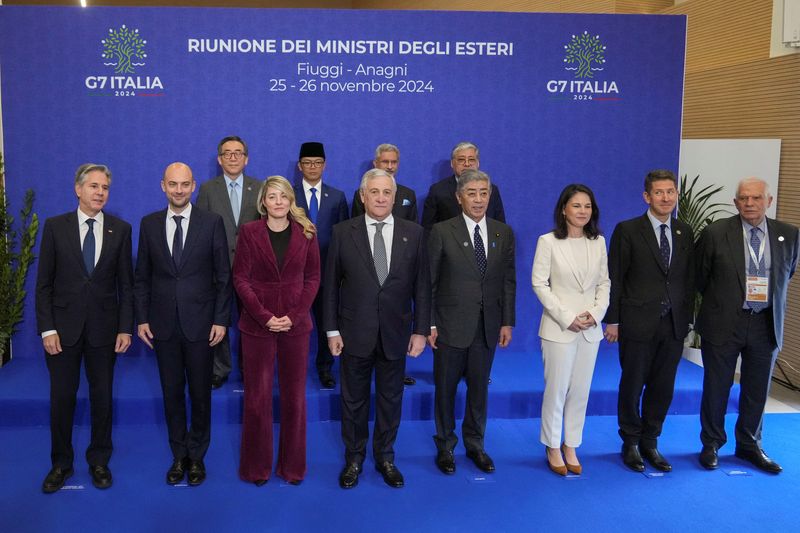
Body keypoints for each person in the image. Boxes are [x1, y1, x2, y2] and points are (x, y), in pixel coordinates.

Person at [323, 168, 430, 489]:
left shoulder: (415, 232)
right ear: (362, 196)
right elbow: (330, 287)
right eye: (375, 192)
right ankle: (354, 458)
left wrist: (421, 330)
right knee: (353, 400)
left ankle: (385, 456)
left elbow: (422, 287)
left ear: (395, 197)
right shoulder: (343, 232)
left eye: (387, 192)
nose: (381, 198)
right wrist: (331, 331)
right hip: (354, 332)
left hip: (397, 333)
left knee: (390, 399)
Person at [35, 163, 133, 493]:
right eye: (93, 186)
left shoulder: (120, 229)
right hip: (62, 332)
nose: (99, 193)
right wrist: (47, 329)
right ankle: (61, 463)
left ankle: (99, 460)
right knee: (62, 398)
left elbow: (126, 285)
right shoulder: (54, 227)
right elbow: (43, 284)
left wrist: (125, 328)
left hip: (105, 332)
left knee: (102, 397)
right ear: (78, 189)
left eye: (104, 187)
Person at [134, 162, 232, 486]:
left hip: (202, 325)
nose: (179, 190)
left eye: (185, 184)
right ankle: (179, 455)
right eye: (173, 184)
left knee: (201, 394)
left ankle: (198, 456)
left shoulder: (211, 223)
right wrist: (142, 318)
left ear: (193, 187)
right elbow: (142, 278)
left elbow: (223, 277)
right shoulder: (148, 224)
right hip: (162, 326)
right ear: (163, 185)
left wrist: (221, 319)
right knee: (171, 393)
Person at [695, 177, 799, 473]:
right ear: (735, 202)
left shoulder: (789, 235)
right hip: (724, 322)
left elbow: (786, 274)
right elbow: (700, 278)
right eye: (743, 198)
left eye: (755, 198)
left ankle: (750, 445)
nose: (749, 203)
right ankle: (712, 443)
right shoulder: (715, 233)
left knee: (757, 389)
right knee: (717, 386)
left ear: (769, 201)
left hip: (766, 323)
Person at [603, 169, 694, 473]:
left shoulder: (684, 232)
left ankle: (651, 441)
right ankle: (630, 441)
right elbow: (615, 277)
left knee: (663, 386)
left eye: (670, 192)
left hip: (673, 325)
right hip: (636, 322)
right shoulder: (627, 230)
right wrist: (612, 320)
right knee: (632, 384)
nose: (665, 198)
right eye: (659, 192)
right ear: (647, 196)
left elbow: (687, 279)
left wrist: (688, 320)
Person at [427, 169, 515, 476]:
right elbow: (430, 283)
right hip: (450, 326)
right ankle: (445, 446)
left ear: (490, 196)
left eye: (483, 193)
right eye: (472, 193)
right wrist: (430, 324)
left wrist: (507, 322)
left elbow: (508, 281)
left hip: (487, 326)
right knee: (445, 391)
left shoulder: (503, 232)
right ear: (459, 197)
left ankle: (475, 444)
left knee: (479, 390)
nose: (478, 199)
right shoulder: (441, 231)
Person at [234, 176, 320, 486]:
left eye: (283, 196)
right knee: (257, 398)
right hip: (257, 326)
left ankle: (292, 467)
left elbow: (313, 279)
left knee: (295, 398)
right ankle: (257, 468)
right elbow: (240, 279)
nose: (279, 202)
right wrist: (264, 316)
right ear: (264, 202)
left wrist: (294, 316)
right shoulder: (249, 232)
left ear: (291, 200)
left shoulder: (307, 232)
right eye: (272, 196)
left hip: (296, 328)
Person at [532, 184, 609, 476]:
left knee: (580, 390)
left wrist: (595, 313)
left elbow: (605, 283)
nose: (582, 212)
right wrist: (567, 317)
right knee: (557, 389)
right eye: (576, 206)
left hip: (590, 328)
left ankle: (571, 443)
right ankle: (552, 444)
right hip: (559, 328)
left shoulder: (598, 242)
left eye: (587, 206)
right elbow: (539, 284)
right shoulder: (548, 241)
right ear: (564, 209)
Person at [197, 135, 262, 389]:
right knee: (218, 319)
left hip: (253, 269)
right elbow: (200, 229)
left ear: (246, 159)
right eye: (227, 153)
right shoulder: (207, 189)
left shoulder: (260, 187)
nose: (233, 157)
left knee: (252, 322)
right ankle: (219, 369)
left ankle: (251, 369)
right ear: (219, 159)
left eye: (238, 153)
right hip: (217, 268)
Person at [352, 143, 419, 387]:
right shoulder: (360, 196)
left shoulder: (408, 195)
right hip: (367, 282)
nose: (390, 167)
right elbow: (354, 234)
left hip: (397, 278)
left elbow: (415, 235)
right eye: (385, 162)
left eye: (394, 163)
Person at [293, 142, 348, 390]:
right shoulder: (288, 195)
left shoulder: (337, 196)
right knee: (294, 322)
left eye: (317, 162)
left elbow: (345, 236)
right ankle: (292, 368)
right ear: (299, 166)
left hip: (327, 272)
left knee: (328, 320)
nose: (312, 167)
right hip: (295, 272)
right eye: (307, 162)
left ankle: (325, 368)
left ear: (324, 165)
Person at [421, 141, 505, 232]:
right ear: (452, 163)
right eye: (461, 160)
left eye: (471, 160)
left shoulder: (492, 189)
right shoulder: (438, 190)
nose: (467, 164)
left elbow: (500, 228)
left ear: (478, 163)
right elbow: (428, 230)